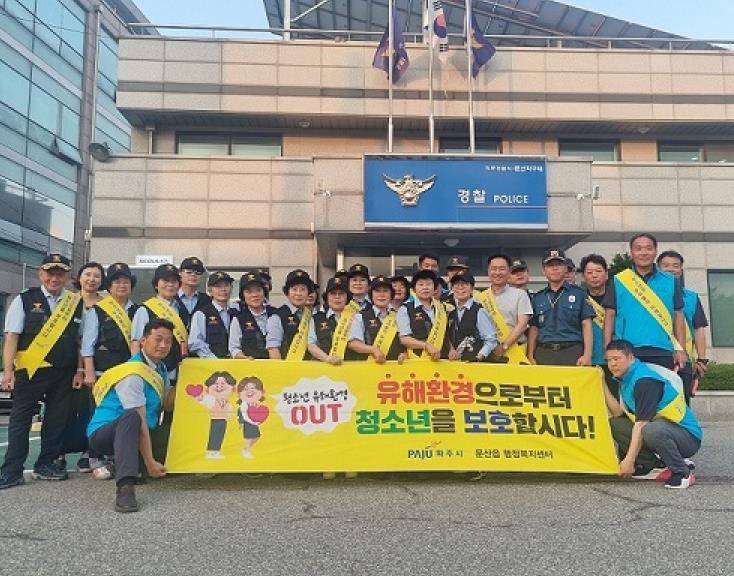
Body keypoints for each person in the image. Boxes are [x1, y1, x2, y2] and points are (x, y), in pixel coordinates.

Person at [0, 254, 83, 489]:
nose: (54, 278)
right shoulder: (25, 299)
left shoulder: (75, 302)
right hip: (30, 372)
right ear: (40, 274)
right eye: (50, 273)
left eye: (60, 273)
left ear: (67, 276)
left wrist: (78, 369)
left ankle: (46, 463)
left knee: (56, 420)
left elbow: (79, 340)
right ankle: (12, 469)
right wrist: (8, 372)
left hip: (63, 372)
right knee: (20, 421)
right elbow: (12, 336)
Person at [87, 318, 173, 512]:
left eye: (168, 341)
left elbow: (167, 404)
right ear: (143, 341)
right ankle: (125, 487)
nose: (163, 345)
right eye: (158, 339)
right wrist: (150, 461)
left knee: (178, 434)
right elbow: (139, 420)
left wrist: (190, 387)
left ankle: (127, 464)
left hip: (140, 433)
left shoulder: (160, 368)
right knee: (132, 418)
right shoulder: (133, 374)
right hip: (105, 434)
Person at [603, 339, 701, 489]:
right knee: (617, 424)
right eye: (609, 360)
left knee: (651, 429)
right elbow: (618, 413)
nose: (612, 364)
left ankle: (682, 473)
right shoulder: (626, 378)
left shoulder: (644, 380)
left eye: (617, 359)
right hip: (663, 430)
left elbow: (642, 423)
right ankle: (657, 466)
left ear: (630, 357)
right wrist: (602, 383)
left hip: (688, 437)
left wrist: (629, 460)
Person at [80, 262, 139, 480]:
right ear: (109, 285)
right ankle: (96, 457)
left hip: (129, 375)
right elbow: (88, 345)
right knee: (100, 415)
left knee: (124, 415)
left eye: (125, 281)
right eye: (116, 281)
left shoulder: (139, 310)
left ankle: (118, 457)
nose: (122, 285)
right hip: (103, 374)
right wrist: (88, 372)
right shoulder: (98, 310)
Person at [602, 233, 686, 371]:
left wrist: (680, 349)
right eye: (638, 248)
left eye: (648, 248)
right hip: (627, 350)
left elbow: (678, 315)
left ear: (655, 251)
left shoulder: (670, 280)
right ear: (632, 252)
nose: (644, 252)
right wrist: (608, 348)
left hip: (663, 349)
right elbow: (609, 315)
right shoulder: (619, 280)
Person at [60, 261, 105, 473]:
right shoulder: (67, 301)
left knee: (90, 410)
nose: (91, 279)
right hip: (66, 363)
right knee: (63, 409)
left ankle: (88, 451)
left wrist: (85, 369)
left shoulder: (107, 305)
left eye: (97, 276)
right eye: (87, 274)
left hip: (93, 366)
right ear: (79, 277)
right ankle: (58, 451)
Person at [656, 250, 709, 404]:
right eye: (666, 266)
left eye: (675, 266)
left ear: (681, 270)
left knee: (682, 404)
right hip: (657, 355)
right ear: (658, 269)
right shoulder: (651, 296)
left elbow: (698, 329)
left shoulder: (691, 297)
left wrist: (701, 360)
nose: (671, 269)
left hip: (683, 360)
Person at [527, 249, 594, 366]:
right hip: (544, 352)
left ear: (565, 268)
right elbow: (534, 328)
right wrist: (530, 355)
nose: (555, 268)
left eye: (559, 264)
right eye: (550, 265)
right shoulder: (538, 297)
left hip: (572, 351)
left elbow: (586, 324)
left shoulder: (579, 294)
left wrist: (587, 355)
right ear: (544, 270)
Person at [131, 264, 188, 386]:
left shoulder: (181, 309)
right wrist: (138, 370)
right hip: (152, 372)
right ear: (156, 285)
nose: (170, 284)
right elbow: (136, 342)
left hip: (178, 371)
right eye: (165, 280)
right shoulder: (145, 309)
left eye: (174, 281)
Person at [479, 254, 533, 364]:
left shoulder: (520, 295)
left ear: (508, 272)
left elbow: (522, 324)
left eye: (502, 269)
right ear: (488, 272)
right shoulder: (479, 297)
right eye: (494, 269)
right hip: (487, 353)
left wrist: (504, 346)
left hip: (515, 351)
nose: (497, 272)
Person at [580, 254, 617, 398]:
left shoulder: (618, 297)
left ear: (606, 274)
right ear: (583, 277)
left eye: (598, 271)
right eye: (589, 272)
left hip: (615, 359)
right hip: (588, 359)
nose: (594, 276)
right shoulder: (579, 299)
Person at [348, 275, 406, 363]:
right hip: (370, 367)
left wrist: (405, 354)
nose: (381, 295)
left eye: (385, 291)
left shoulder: (399, 316)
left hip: (396, 368)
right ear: (371, 295)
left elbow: (405, 341)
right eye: (377, 291)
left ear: (391, 294)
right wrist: (373, 350)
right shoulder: (360, 317)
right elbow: (353, 343)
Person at [446, 270, 497, 362]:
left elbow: (491, 340)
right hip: (453, 365)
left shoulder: (479, 311)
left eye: (464, 284)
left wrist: (479, 357)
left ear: (472, 288)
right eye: (456, 284)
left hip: (474, 364)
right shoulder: (450, 310)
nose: (460, 288)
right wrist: (451, 349)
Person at [398, 270, 448, 360]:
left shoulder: (442, 308)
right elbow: (404, 339)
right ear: (414, 289)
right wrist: (426, 346)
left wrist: (451, 349)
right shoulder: (405, 309)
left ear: (434, 287)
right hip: (418, 359)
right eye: (421, 284)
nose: (425, 288)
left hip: (442, 360)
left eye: (428, 284)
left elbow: (446, 334)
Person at [266, 269, 314, 360]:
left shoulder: (312, 315)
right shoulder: (277, 317)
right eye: (294, 289)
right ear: (287, 292)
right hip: (287, 366)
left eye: (303, 289)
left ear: (308, 293)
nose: (298, 294)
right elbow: (273, 349)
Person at [188, 271, 236, 359]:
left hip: (236, 363)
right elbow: (194, 343)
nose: (223, 289)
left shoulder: (236, 313)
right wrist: (213, 359)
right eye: (218, 286)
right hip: (211, 363)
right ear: (210, 291)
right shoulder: (201, 314)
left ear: (231, 288)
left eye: (226, 285)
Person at [308, 276, 356, 364]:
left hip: (353, 367)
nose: (337, 297)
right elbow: (311, 345)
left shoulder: (356, 317)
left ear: (347, 297)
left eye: (341, 293)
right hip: (325, 367)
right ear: (327, 297)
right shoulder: (316, 318)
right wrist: (327, 359)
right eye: (333, 293)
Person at [229, 271, 275, 360]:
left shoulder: (276, 314)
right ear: (243, 295)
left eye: (258, 290)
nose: (254, 295)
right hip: (249, 366)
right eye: (249, 292)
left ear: (264, 292)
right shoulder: (238, 319)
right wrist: (242, 357)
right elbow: (234, 348)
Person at [175, 257, 212, 329]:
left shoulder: (207, 300)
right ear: (180, 273)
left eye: (198, 272)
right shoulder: (171, 298)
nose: (193, 275)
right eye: (189, 271)